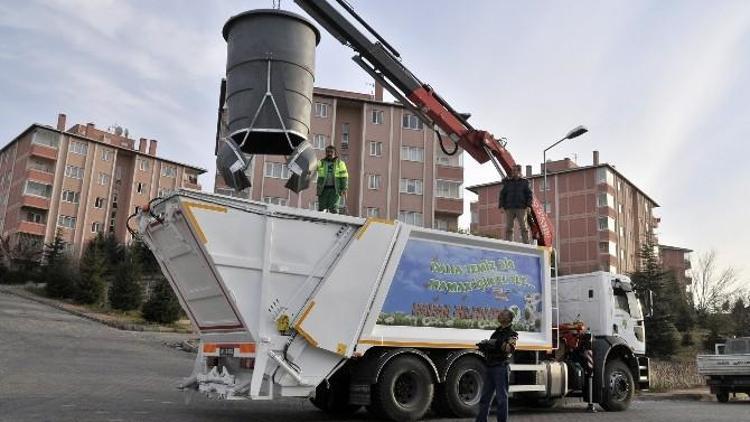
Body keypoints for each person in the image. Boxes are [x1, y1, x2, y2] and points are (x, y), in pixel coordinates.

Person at [476, 309, 518, 422]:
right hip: (490, 366)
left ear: (509, 318)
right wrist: (485, 346)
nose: (499, 315)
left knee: (501, 399)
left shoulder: (512, 333)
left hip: (500, 367)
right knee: (485, 398)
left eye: (503, 314)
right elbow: (494, 347)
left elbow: (510, 349)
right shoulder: (496, 332)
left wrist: (497, 344)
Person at [499, 165, 532, 244]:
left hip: (521, 207)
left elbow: (529, 195)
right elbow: (502, 194)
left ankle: (526, 243)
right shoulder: (507, 182)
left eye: (515, 170)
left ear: (519, 172)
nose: (513, 172)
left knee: (523, 227)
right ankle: (509, 243)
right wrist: (501, 206)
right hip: (509, 208)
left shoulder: (525, 182)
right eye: (512, 171)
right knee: (509, 228)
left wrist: (528, 206)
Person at [316, 145, 349, 214]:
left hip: (335, 190)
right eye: (328, 152)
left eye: (331, 152)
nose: (329, 153)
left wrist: (344, 188)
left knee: (333, 208)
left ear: (335, 153)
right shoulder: (321, 162)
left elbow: (344, 177)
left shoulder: (340, 163)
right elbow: (312, 168)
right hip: (323, 189)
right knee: (321, 208)